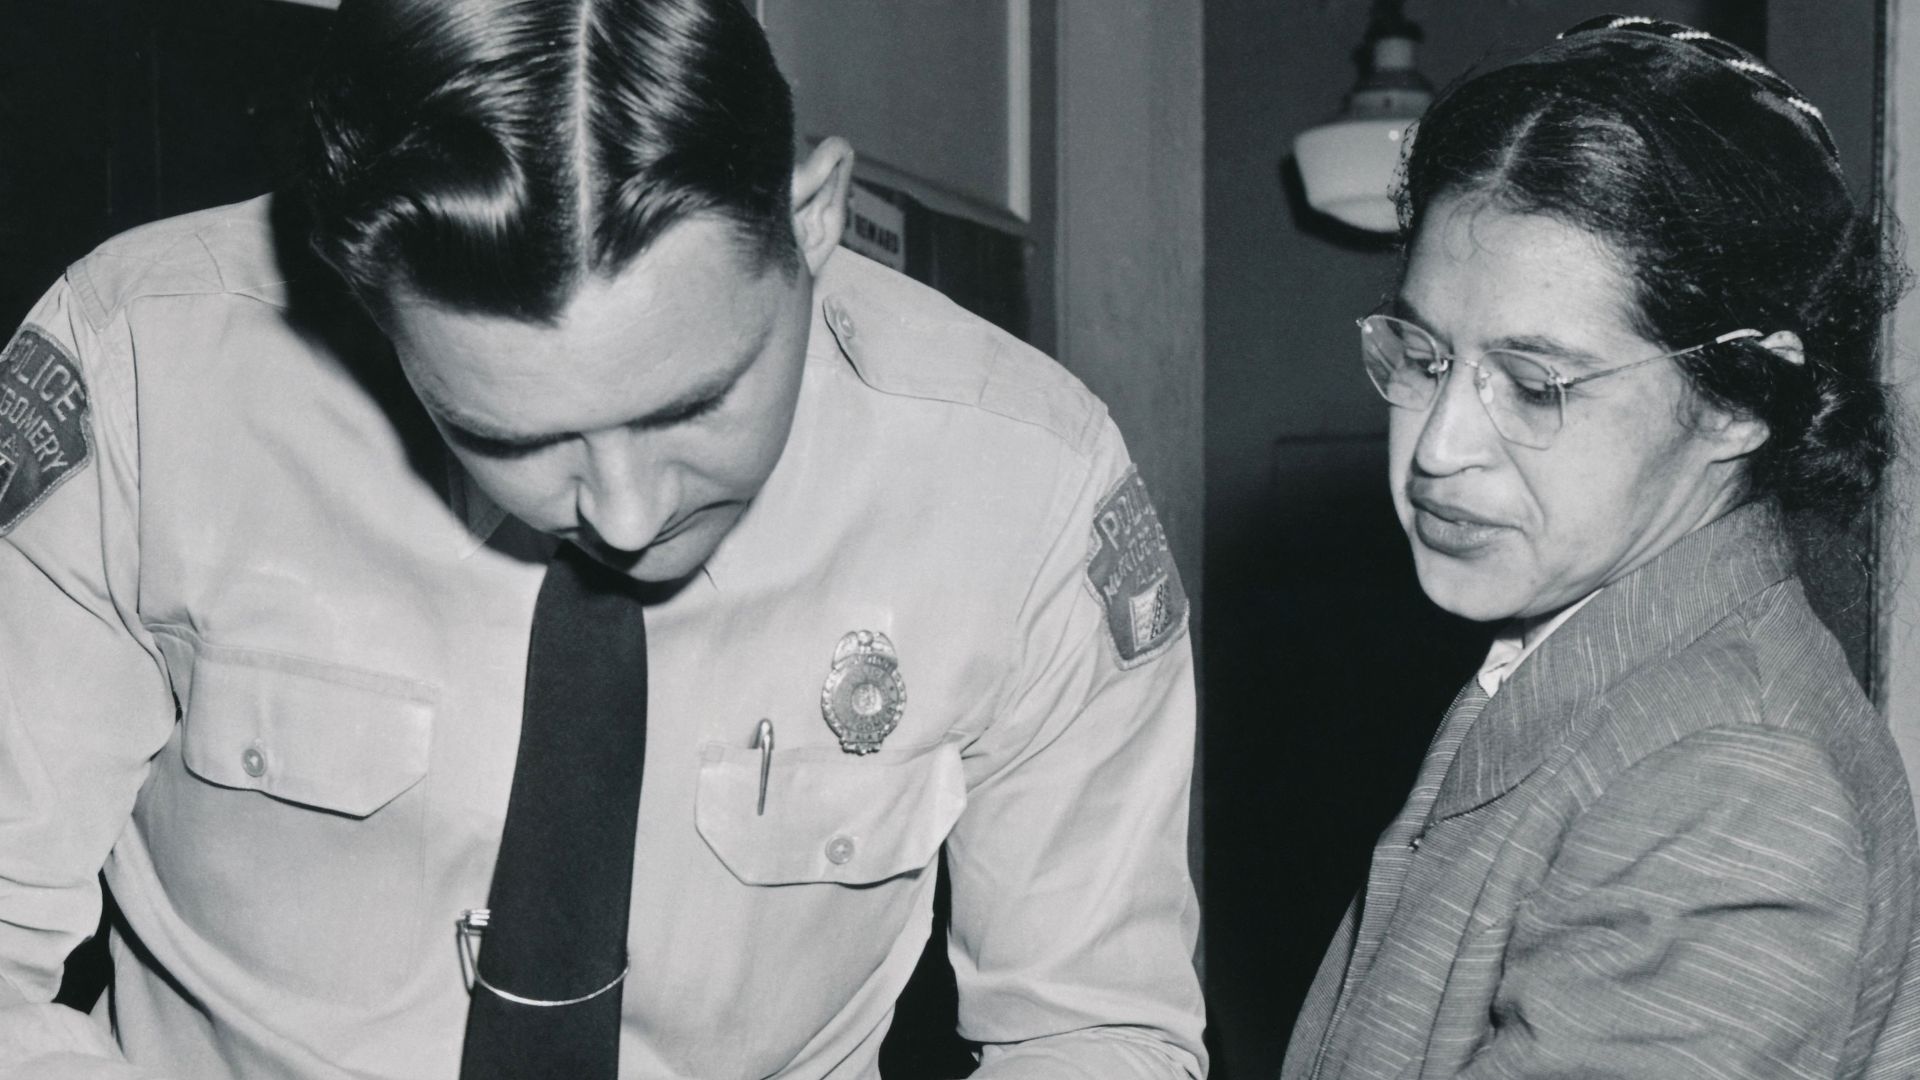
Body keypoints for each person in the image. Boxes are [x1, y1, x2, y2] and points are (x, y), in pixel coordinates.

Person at [0, 1, 1207, 1077]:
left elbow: (1095, 1029)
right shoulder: (142, 377)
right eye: (508, 436)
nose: (626, 514)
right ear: (364, 301)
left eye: (695, 404)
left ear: (815, 216)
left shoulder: (1029, 487)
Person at [1284, 15, 1919, 1079]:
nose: (1439, 447)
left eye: (1535, 386)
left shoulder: (1730, 787)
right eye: (1426, 356)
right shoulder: (1588, 657)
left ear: (1737, 399)